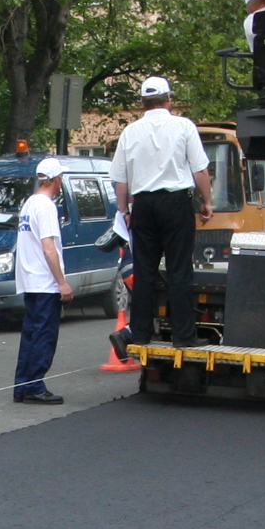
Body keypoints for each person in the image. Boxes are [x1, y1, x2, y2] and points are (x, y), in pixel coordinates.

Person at [109, 76, 210, 353]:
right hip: (176, 203)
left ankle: (140, 333)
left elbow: (120, 180)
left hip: (143, 205)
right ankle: (183, 335)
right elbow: (200, 170)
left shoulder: (130, 132)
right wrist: (207, 203)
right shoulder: (184, 126)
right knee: (179, 269)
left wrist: (124, 210)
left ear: (142, 103)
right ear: (168, 99)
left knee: (145, 271)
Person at [11, 160, 75, 404]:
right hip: (45, 281)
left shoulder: (29, 204)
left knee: (30, 334)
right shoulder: (46, 207)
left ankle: (22, 385)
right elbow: (49, 248)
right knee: (44, 336)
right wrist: (62, 282)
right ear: (56, 179)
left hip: (29, 280)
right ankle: (35, 385)